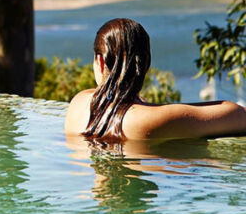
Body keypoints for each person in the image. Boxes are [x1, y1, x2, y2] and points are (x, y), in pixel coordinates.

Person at [64, 17, 246, 142]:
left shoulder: (78, 103)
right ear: (145, 64)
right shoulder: (152, 120)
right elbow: (238, 115)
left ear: (100, 61)